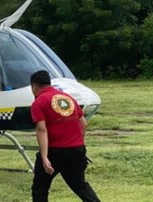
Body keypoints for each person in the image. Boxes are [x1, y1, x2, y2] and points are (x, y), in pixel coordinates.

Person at [29, 70, 100, 202]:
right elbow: (83, 124)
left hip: (54, 151)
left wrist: (44, 157)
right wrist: (78, 144)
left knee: (40, 188)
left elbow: (41, 130)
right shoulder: (67, 98)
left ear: (34, 86)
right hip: (76, 149)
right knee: (80, 185)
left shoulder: (38, 102)